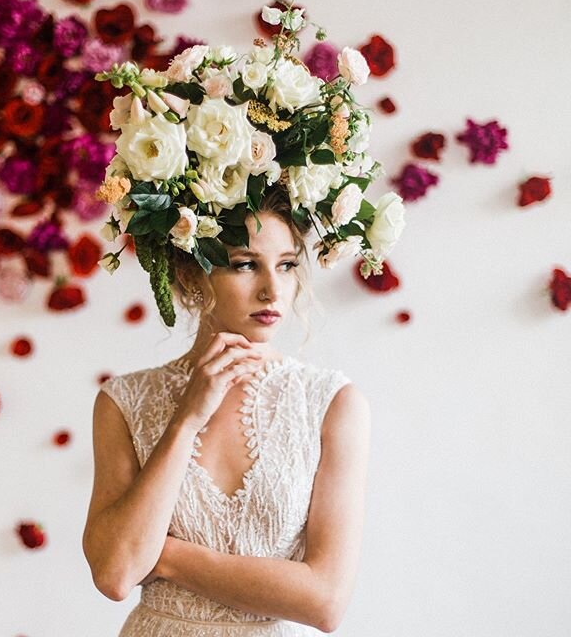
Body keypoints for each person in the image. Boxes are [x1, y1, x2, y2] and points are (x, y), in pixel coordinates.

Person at [82, 181, 372, 635]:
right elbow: (116, 575)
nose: (272, 290)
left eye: (287, 265)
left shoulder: (331, 403)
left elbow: (325, 601)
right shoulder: (125, 402)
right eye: (245, 265)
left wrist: (166, 556)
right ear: (191, 274)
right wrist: (186, 420)